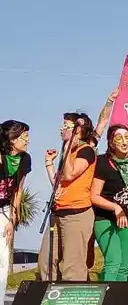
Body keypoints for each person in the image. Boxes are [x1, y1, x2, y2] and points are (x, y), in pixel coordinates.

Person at [39, 113, 98, 282]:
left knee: (73, 266)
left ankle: (74, 297)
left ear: (77, 130)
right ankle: (51, 295)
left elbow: (71, 174)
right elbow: (59, 184)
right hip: (58, 212)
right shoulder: (69, 153)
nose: (61, 129)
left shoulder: (85, 150)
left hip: (77, 213)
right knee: (46, 261)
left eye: (66, 126)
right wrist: (49, 163)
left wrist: (66, 149)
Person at [90, 126, 128, 281]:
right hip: (105, 218)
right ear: (111, 142)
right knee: (113, 262)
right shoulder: (103, 162)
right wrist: (115, 207)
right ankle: (107, 295)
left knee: (124, 266)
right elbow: (94, 196)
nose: (124, 142)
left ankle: (118, 296)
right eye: (119, 138)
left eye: (127, 137)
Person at [0, 120, 31, 305]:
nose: (27, 140)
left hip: (4, 209)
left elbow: (18, 190)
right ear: (12, 139)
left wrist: (13, 219)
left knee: (3, 258)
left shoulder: (25, 159)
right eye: (24, 137)